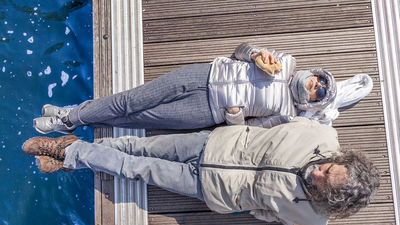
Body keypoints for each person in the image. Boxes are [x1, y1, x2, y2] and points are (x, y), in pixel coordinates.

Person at [23, 117, 380, 225]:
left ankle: (68, 151)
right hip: (212, 144)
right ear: (341, 158)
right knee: (138, 148)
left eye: (323, 185)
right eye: (328, 168)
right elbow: (278, 120)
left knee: (136, 168)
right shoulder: (321, 134)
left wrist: (247, 203)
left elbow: (272, 215)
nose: (317, 173)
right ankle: (74, 155)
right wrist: (241, 126)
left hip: (211, 188)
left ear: (332, 203)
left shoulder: (315, 218)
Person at [33, 43, 339, 134]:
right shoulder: (285, 62)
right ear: (314, 73)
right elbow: (240, 49)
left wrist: (234, 116)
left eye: (321, 92)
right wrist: (256, 54)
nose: (317, 85)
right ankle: (69, 120)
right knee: (131, 101)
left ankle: (72, 115)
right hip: (202, 75)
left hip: (205, 111)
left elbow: (247, 131)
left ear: (315, 102)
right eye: (320, 79)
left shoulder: (287, 113)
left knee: (136, 118)